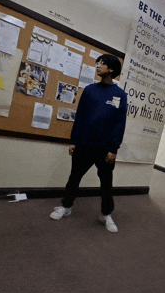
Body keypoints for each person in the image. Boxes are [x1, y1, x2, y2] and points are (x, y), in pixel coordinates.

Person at [50, 54, 127, 232]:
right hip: (84, 143)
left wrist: (114, 148)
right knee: (74, 177)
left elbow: (119, 124)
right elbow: (80, 117)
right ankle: (66, 206)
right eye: (97, 63)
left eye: (102, 64)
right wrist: (74, 140)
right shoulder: (90, 90)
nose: (98, 66)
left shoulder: (120, 95)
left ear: (112, 69)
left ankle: (105, 214)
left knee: (106, 182)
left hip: (105, 148)